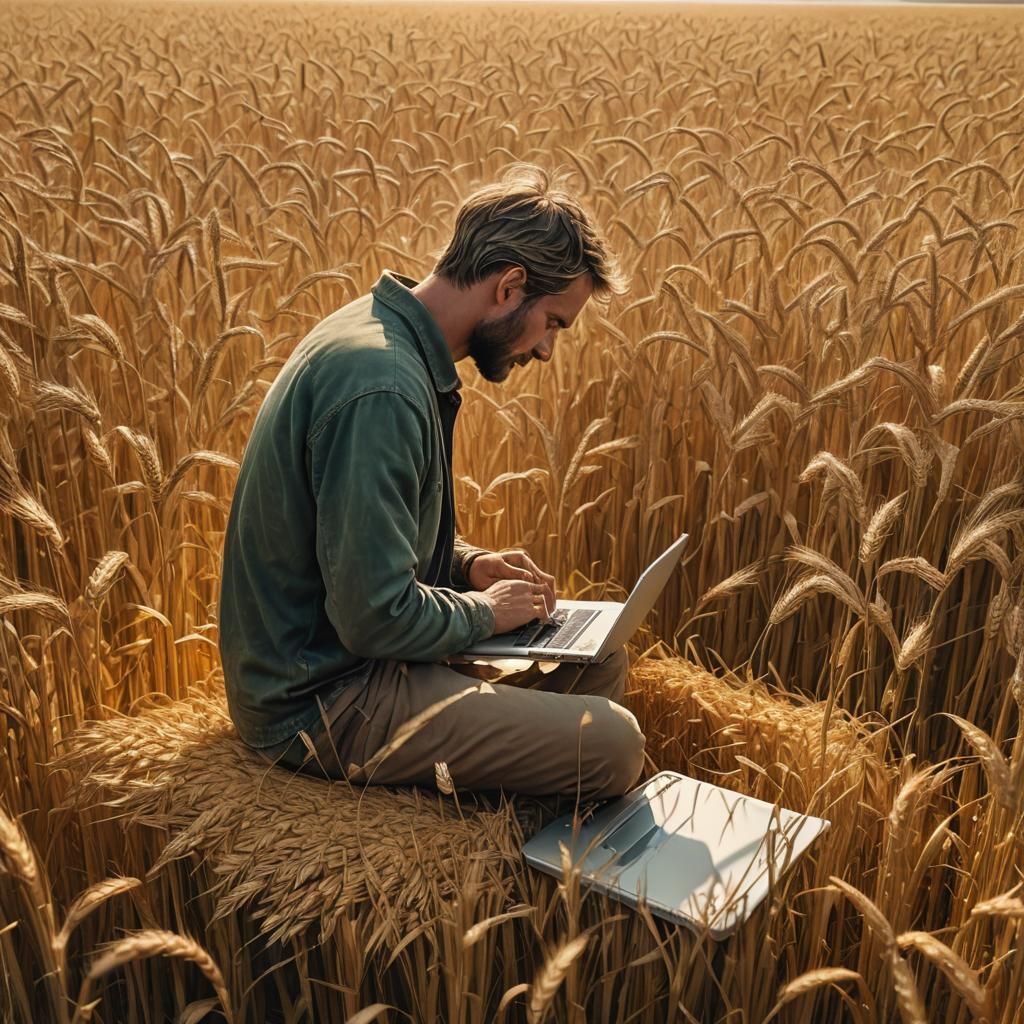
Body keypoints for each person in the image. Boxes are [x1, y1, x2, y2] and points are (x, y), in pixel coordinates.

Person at [218, 163, 647, 802]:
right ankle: (510, 860)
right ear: (510, 286)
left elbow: (353, 540)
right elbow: (373, 616)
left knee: (600, 658)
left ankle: (513, 838)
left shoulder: (385, 337)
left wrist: (467, 565)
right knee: (613, 744)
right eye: (554, 322)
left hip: (352, 661)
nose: (547, 350)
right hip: (323, 698)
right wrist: (487, 611)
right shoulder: (383, 386)